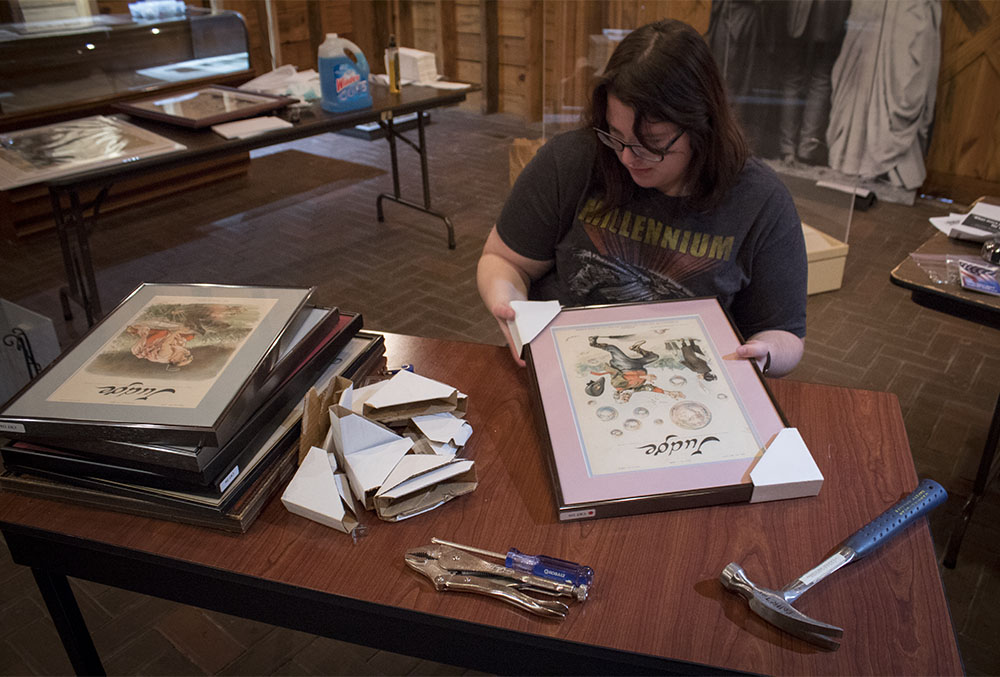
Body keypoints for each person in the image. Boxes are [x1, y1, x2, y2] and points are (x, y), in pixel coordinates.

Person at [477, 18, 807, 377]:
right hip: (566, 366)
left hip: (689, 381)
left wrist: (765, 353)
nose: (627, 158)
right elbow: (503, 259)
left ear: (702, 125)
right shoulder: (572, 160)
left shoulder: (760, 201)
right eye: (615, 135)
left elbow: (785, 333)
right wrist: (508, 304)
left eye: (651, 144)